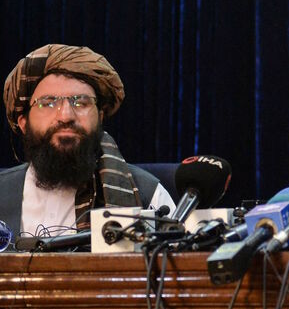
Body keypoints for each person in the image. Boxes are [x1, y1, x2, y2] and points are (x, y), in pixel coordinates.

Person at [0, 44, 175, 243]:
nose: (65, 116)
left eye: (81, 103)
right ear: (23, 123)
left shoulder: (149, 196)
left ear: (100, 117)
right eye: (48, 103)